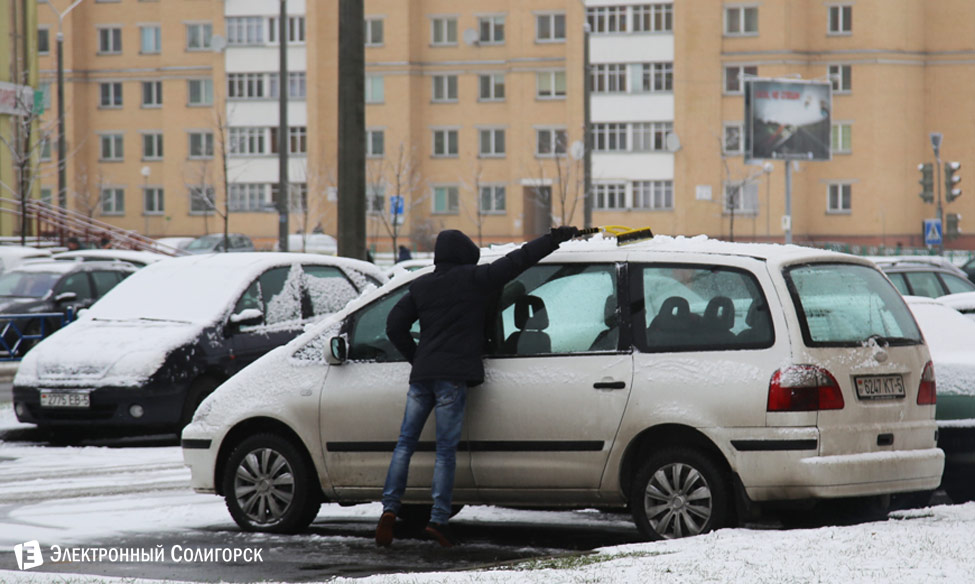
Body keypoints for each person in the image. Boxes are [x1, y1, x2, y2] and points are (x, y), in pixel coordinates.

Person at [376, 225, 579, 548]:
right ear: (464, 255)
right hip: (452, 378)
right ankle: (439, 520)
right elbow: (519, 261)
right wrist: (553, 239)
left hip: (423, 375)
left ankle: (389, 508)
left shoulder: (422, 286)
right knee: (445, 451)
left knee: (405, 443)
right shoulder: (475, 280)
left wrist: (418, 357)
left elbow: (393, 326)